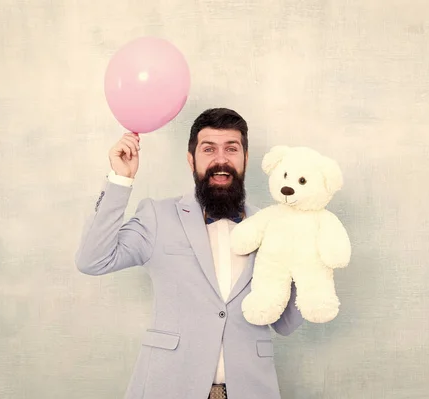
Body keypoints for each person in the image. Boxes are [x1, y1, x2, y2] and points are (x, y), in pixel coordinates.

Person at [75, 108, 304, 399]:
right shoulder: (157, 216)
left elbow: (285, 324)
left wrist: (311, 261)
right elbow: (93, 260)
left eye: (231, 149)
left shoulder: (273, 227)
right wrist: (120, 180)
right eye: (208, 149)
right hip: (168, 387)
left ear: (245, 159)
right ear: (190, 159)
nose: (221, 160)